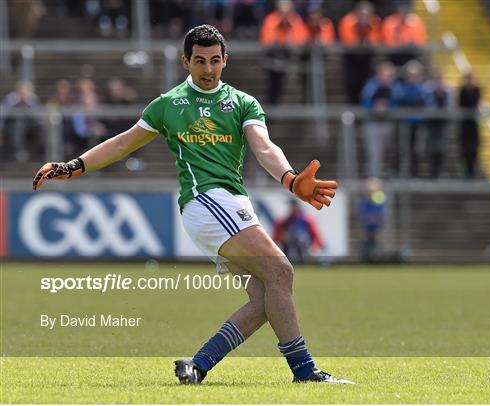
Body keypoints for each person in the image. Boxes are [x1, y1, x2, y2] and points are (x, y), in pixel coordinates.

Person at [32, 24, 352, 385]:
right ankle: (305, 371)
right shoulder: (169, 104)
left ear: (225, 60)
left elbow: (264, 146)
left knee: (266, 296)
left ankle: (197, 365)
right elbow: (123, 143)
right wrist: (74, 165)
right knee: (281, 272)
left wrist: (290, 178)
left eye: (215, 61)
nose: (208, 69)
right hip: (206, 201)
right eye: (199, 61)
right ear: (186, 61)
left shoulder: (243, 102)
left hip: (231, 203)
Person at [259, 0, 309, 104]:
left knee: (307, 80)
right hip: (275, 57)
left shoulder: (296, 19)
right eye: (283, 12)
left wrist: (292, 41)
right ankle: (270, 114)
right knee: (273, 87)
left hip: (294, 55)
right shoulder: (271, 20)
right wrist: (279, 40)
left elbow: (302, 37)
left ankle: (307, 106)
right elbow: (267, 39)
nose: (285, 15)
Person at [360, 62, 400, 178]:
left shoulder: (394, 87)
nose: (386, 78)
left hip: (388, 123)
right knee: (374, 154)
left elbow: (398, 100)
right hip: (373, 124)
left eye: (389, 76)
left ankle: (388, 177)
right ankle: (374, 180)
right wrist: (375, 106)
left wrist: (388, 105)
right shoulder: (371, 86)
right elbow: (365, 102)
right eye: (384, 75)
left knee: (389, 153)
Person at [338, 1, 380, 105]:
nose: (364, 17)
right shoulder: (347, 21)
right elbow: (349, 42)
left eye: (367, 15)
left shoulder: (375, 22)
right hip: (351, 58)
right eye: (361, 14)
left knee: (367, 85)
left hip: (367, 59)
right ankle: (353, 111)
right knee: (351, 85)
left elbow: (374, 41)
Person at [0, 81, 43, 162]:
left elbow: (38, 117)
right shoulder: (11, 98)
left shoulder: (33, 99)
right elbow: (3, 114)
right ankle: (19, 151)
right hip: (12, 125)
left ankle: (39, 153)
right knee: (18, 126)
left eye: (25, 92)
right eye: (21, 92)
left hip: (31, 126)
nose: (23, 95)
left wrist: (28, 103)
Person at [423, 69, 451, 178]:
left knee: (442, 149)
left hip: (442, 124)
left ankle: (440, 171)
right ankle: (432, 171)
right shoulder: (429, 91)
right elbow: (427, 105)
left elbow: (450, 107)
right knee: (431, 148)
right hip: (432, 124)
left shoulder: (447, 91)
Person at [458, 72, 481, 179]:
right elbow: (463, 104)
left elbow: (475, 104)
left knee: (474, 149)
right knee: (465, 149)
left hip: (473, 125)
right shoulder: (462, 90)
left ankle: (472, 171)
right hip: (465, 125)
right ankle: (466, 172)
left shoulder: (477, 90)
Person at [359, 178, 386, 262]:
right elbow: (363, 212)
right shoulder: (366, 201)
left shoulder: (379, 200)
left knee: (375, 240)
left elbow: (381, 212)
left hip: (376, 225)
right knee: (368, 240)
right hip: (368, 225)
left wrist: (375, 218)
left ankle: (376, 257)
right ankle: (368, 257)